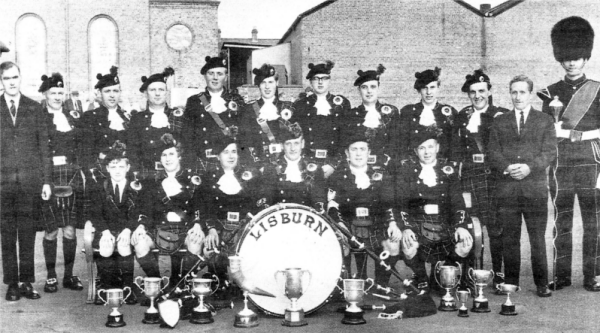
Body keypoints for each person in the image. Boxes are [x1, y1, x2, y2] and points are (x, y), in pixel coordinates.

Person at [538, 16, 600, 292]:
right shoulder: (548, 93)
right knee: (561, 220)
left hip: (591, 162)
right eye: (567, 57)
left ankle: (594, 275)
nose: (572, 62)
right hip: (561, 164)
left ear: (586, 57)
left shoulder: (598, 91)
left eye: (577, 57)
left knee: (594, 221)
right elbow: (544, 134)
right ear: (559, 58)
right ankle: (562, 275)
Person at [488, 75, 556, 297]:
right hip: (507, 190)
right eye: (514, 92)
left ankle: (542, 284)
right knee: (510, 239)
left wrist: (529, 168)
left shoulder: (544, 120)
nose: (518, 97)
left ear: (529, 94)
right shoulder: (499, 121)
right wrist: (508, 168)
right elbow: (493, 152)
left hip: (534, 190)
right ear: (510, 94)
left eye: (522, 92)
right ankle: (511, 282)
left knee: (537, 239)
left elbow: (549, 152)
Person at [1, 61, 52, 301]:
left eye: (15, 77)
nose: (12, 82)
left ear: (20, 78)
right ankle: (12, 283)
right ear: (1, 81)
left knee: (28, 234)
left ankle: (27, 281)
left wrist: (46, 181)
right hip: (3, 184)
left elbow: (44, 147)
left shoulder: (35, 108)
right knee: (8, 235)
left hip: (30, 183)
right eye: (6, 78)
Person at [398, 127, 473, 292]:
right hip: (418, 221)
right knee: (408, 244)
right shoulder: (407, 172)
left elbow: (458, 202)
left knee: (465, 244)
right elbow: (401, 204)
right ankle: (421, 278)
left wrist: (460, 225)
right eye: (422, 148)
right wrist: (406, 228)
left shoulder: (449, 171)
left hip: (445, 221)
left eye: (430, 147)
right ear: (416, 151)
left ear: (437, 148)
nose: (426, 152)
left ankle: (441, 272)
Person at [454, 69, 509, 288]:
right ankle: (471, 273)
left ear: (489, 91)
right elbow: (455, 150)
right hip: (469, 178)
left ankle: (498, 273)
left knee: (496, 228)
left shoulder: (501, 115)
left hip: (493, 179)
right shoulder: (461, 116)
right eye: (473, 92)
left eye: (481, 91)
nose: (477, 96)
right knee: (470, 225)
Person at [327, 128, 401, 287]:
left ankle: (381, 284)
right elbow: (332, 206)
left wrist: (393, 224)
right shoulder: (337, 176)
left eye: (362, 149)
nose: (358, 154)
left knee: (393, 243)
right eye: (354, 150)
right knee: (339, 241)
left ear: (369, 153)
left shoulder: (380, 176)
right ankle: (346, 284)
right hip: (347, 224)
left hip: (374, 224)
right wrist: (339, 226)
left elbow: (388, 204)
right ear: (347, 153)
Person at [130, 134, 205, 287]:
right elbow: (144, 208)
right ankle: (157, 282)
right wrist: (141, 226)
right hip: (158, 227)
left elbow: (199, 205)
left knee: (196, 242)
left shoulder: (192, 180)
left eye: (171, 154)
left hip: (185, 228)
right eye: (164, 155)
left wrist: (197, 224)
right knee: (139, 243)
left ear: (179, 157)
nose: (168, 158)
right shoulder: (152, 181)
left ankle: (180, 285)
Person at [196, 137, 262, 299]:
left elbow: (256, 207)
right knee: (211, 247)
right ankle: (219, 282)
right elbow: (204, 207)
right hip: (218, 228)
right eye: (226, 152)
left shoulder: (249, 178)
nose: (231, 156)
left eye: (233, 151)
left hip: (243, 228)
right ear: (218, 156)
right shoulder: (209, 179)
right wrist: (211, 229)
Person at [38, 73, 85, 293]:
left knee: (69, 230)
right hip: (48, 177)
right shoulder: (38, 117)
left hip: (71, 177)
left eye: (60, 93)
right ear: (45, 94)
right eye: (53, 93)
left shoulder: (73, 117)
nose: (57, 96)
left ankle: (68, 275)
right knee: (51, 231)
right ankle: (50, 276)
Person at [87, 144, 142, 305]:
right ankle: (107, 287)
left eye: (121, 166)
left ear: (128, 168)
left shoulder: (136, 187)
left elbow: (137, 212)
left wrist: (127, 230)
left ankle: (127, 287)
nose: (117, 170)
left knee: (124, 245)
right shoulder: (99, 187)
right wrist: (104, 231)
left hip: (127, 230)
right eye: (113, 166)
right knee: (105, 246)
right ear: (107, 169)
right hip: (107, 230)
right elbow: (94, 213)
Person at [183, 55, 245, 173]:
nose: (215, 78)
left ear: (226, 77)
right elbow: (187, 138)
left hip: (230, 163)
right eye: (211, 73)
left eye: (220, 74)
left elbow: (244, 135)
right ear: (205, 76)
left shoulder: (237, 100)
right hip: (203, 162)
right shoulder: (194, 101)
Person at [290, 61, 351, 178]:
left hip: (335, 163)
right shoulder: (301, 105)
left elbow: (346, 137)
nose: (320, 82)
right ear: (310, 82)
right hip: (308, 162)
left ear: (329, 80)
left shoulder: (342, 104)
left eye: (324, 78)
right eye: (316, 78)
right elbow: (296, 137)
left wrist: (333, 164)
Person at [128, 67, 182, 180]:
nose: (157, 94)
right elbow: (133, 152)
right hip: (147, 176)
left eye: (161, 90)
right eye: (152, 90)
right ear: (146, 93)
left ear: (166, 92)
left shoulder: (179, 116)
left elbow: (187, 147)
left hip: (176, 175)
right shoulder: (137, 119)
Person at [342, 64, 399, 169]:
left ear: (378, 88)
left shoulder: (391, 112)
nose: (369, 91)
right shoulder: (351, 114)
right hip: (359, 167)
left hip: (385, 168)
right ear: (359, 90)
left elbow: (396, 144)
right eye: (364, 87)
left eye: (373, 86)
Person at [239, 64, 295, 165]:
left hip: (284, 163)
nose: (267, 86)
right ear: (259, 85)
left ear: (276, 83)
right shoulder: (249, 109)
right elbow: (244, 141)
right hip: (258, 163)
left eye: (270, 82)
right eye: (263, 82)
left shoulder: (287, 107)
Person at [262, 121, 327, 209]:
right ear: (282, 146)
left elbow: (319, 200)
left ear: (303, 144)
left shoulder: (315, 169)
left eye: (296, 143)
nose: (293, 148)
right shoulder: (271, 168)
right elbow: (267, 201)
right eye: (288, 144)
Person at [399, 67, 458, 160]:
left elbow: (454, 145)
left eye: (432, 87)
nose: (428, 92)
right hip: (414, 165)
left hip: (441, 165)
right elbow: (402, 143)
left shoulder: (449, 112)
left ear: (438, 88)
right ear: (419, 90)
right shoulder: (408, 112)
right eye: (424, 88)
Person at [80, 66, 129, 172]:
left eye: (115, 91)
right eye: (107, 91)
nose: (112, 95)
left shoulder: (127, 117)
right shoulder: (90, 117)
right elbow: (86, 153)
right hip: (101, 171)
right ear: (99, 94)